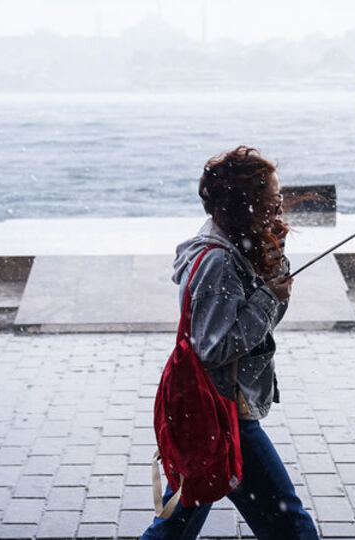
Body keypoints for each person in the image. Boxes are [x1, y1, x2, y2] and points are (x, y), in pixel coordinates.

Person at [141, 146, 319, 540]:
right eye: (272, 201)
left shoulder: (236, 244)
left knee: (178, 522)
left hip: (212, 410)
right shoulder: (218, 261)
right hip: (224, 412)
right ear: (247, 205)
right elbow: (215, 347)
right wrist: (269, 297)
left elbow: (259, 330)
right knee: (290, 524)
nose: (280, 209)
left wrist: (274, 272)